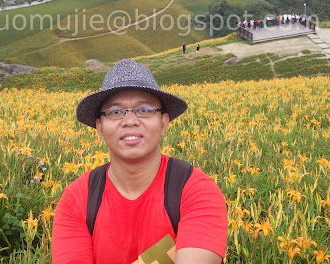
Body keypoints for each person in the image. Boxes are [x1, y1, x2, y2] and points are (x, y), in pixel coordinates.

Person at [52, 59, 227, 264]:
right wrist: (167, 254)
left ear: (163, 122)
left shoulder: (195, 189)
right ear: (99, 127)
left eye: (144, 110)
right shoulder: (77, 200)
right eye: (115, 112)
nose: (130, 121)